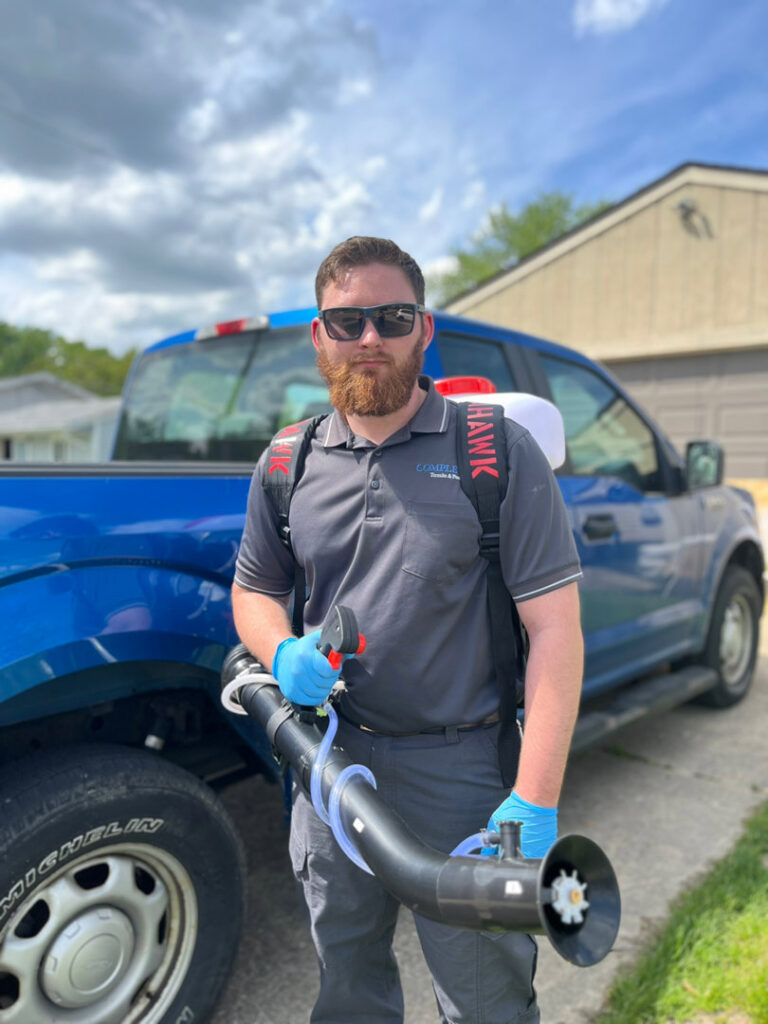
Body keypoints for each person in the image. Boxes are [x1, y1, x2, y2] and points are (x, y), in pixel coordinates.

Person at [232, 236, 584, 1024]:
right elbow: (254, 589)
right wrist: (281, 649)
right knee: (348, 981)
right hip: (329, 760)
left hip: (462, 773)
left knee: (485, 996)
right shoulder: (288, 461)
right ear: (319, 335)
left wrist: (535, 795)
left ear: (424, 330)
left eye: (391, 317)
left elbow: (557, 632)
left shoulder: (495, 453)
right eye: (346, 320)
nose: (369, 338)